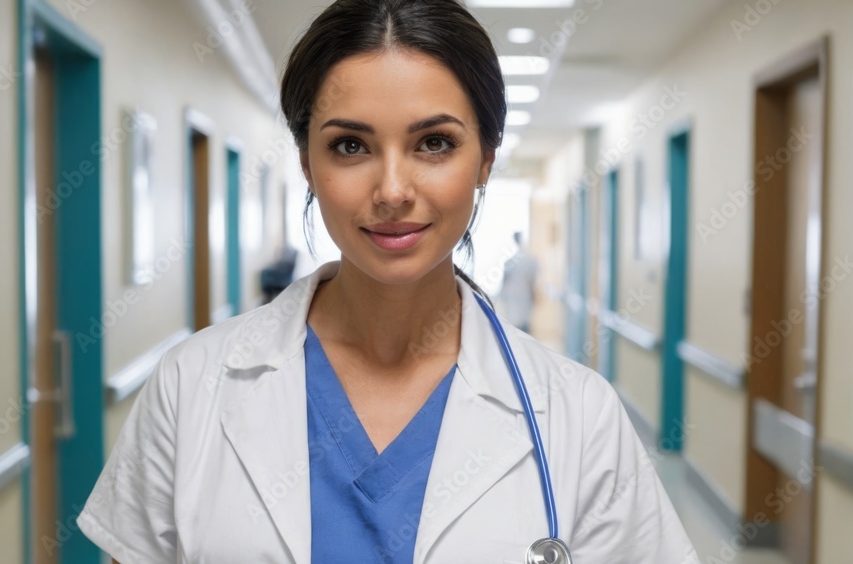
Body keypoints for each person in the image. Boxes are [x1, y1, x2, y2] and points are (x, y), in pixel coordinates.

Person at [76, 1, 699, 562]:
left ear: (485, 158)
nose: (393, 191)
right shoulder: (191, 386)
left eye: (434, 142)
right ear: (306, 164)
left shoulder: (578, 414)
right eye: (350, 146)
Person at [498, 231, 539, 333]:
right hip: (520, 294)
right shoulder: (529, 259)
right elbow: (532, 281)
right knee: (521, 320)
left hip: (515, 293)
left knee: (516, 321)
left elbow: (505, 280)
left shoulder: (513, 260)